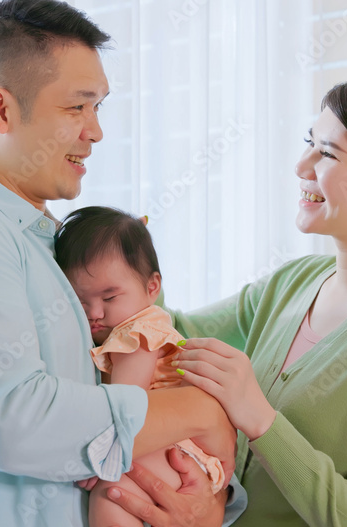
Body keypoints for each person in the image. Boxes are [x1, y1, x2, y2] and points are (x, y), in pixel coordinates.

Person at [0, 1, 243, 525]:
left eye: (98, 108)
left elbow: (133, 379)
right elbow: (15, 422)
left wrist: (206, 498)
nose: (95, 131)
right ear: (1, 110)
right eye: (76, 108)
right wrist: (199, 413)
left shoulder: (55, 246)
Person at [106, 73, 347, 526]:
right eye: (310, 142)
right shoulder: (296, 281)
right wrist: (124, 262)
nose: (302, 165)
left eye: (327, 153)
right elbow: (173, 337)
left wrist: (261, 420)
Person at [53, 206, 227, 527]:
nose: (94, 312)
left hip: (176, 448)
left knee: (111, 498)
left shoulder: (140, 332)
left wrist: (100, 463)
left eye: (109, 298)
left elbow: (125, 407)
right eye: (81, 300)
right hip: (157, 441)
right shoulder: (115, 330)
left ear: (152, 288)